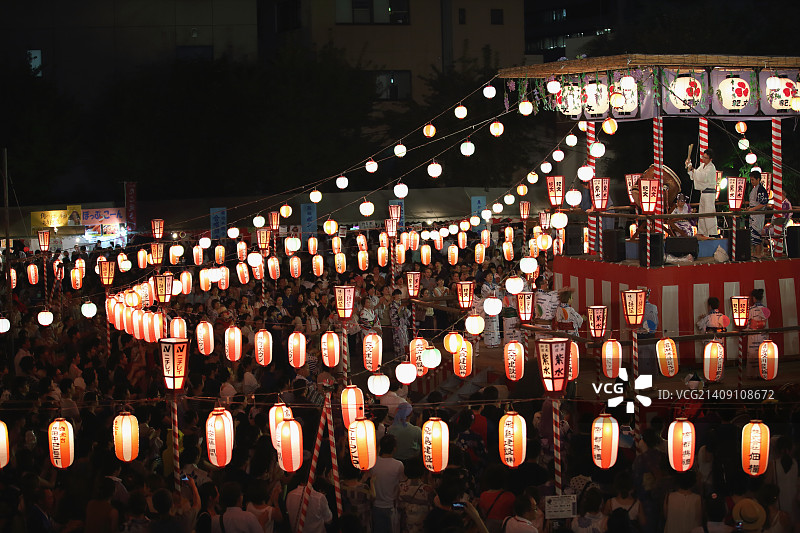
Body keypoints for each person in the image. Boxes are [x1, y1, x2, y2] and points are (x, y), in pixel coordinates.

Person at [370, 434, 405, 533]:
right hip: (392, 505)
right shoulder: (398, 465)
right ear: (394, 448)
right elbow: (401, 484)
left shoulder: (373, 462)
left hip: (376, 504)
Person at [686, 148, 719, 237]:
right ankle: (702, 231)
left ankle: (712, 233)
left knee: (709, 213)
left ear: (710, 159)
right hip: (703, 193)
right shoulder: (702, 166)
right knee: (702, 213)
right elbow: (695, 175)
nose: (703, 159)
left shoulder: (711, 168)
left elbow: (702, 177)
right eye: (703, 157)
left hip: (709, 194)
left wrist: (693, 169)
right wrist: (690, 168)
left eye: (705, 158)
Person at [745, 288, 770, 378]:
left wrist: (747, 330)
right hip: (762, 335)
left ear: (754, 298)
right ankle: (763, 374)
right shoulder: (765, 309)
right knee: (762, 355)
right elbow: (766, 324)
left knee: (752, 355)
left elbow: (748, 324)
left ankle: (752, 374)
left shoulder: (750, 310)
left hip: (753, 335)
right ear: (762, 297)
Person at [747, 169, 770, 258]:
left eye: (753, 180)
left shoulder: (761, 189)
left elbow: (763, 203)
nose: (751, 181)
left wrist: (753, 209)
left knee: (756, 233)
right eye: (751, 179)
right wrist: (750, 208)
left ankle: (758, 253)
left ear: (758, 179)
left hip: (758, 214)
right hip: (754, 213)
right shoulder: (755, 189)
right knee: (753, 233)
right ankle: (757, 252)